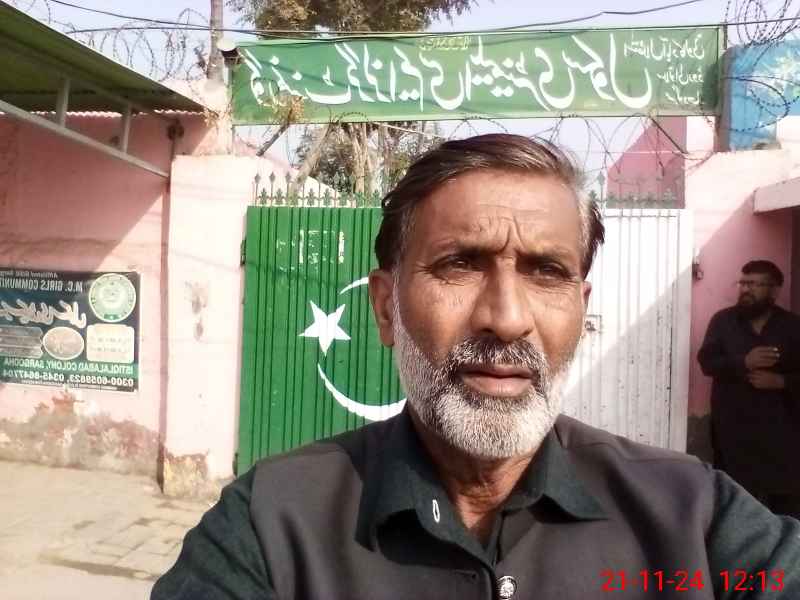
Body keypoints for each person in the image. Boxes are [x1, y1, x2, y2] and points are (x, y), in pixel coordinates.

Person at [152, 135, 799, 599]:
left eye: (546, 272)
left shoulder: (694, 520)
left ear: (580, 311)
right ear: (385, 308)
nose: (507, 318)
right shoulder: (273, 526)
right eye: (459, 264)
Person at [698, 260, 800, 519]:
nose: (745, 289)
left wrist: (781, 382)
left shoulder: (793, 327)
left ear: (774, 290)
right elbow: (707, 363)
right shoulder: (723, 321)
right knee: (736, 507)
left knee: (785, 508)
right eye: (743, 283)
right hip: (733, 433)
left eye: (754, 284)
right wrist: (744, 362)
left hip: (783, 436)